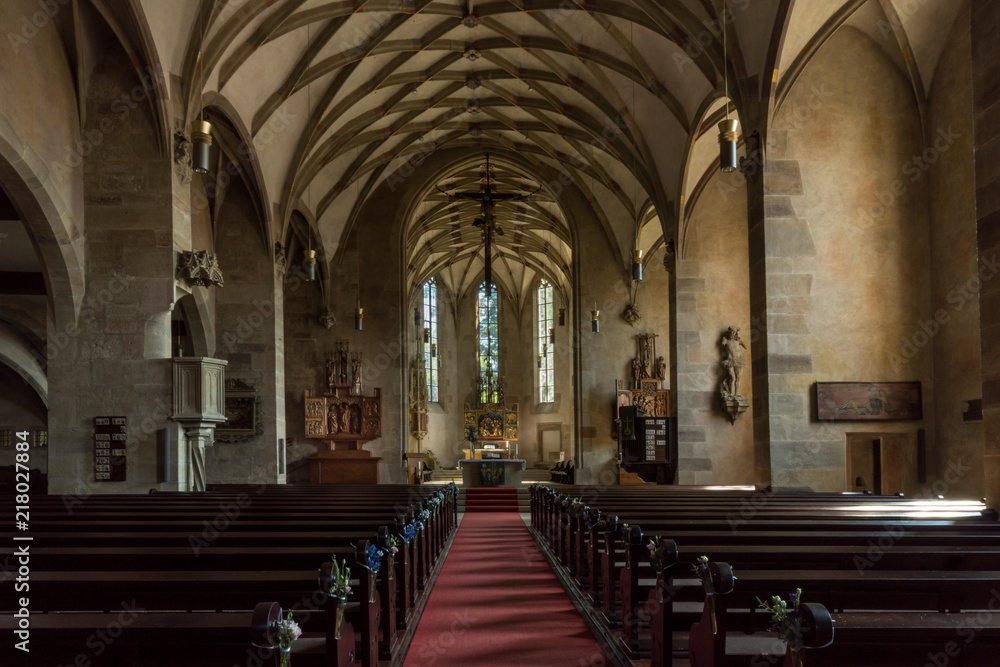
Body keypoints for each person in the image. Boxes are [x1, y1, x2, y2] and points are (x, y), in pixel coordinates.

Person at [721, 326, 747, 397]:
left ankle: (736, 394)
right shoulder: (725, 339)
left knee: (738, 378)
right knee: (732, 377)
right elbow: (722, 344)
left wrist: (740, 341)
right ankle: (731, 394)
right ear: (729, 332)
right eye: (731, 331)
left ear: (736, 333)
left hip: (739, 360)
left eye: (734, 332)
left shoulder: (738, 340)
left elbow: (745, 347)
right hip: (730, 360)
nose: (732, 333)